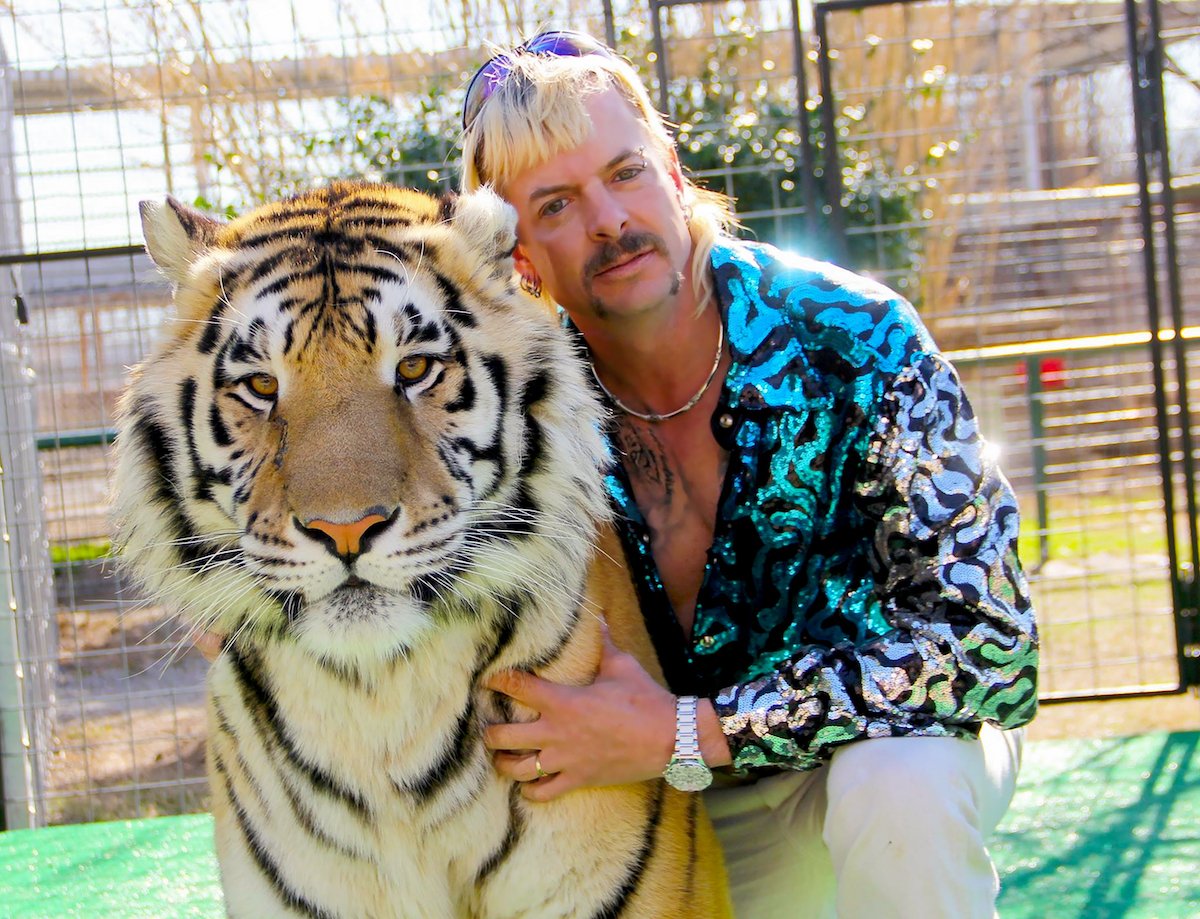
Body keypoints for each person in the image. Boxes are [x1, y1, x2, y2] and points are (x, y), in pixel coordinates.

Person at [458, 30, 1039, 919]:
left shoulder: (857, 337)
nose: (609, 220)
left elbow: (991, 641)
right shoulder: (514, 416)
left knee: (899, 789)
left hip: (873, 753)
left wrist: (692, 731)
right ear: (520, 257)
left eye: (625, 172)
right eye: (557, 204)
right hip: (665, 800)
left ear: (674, 171)